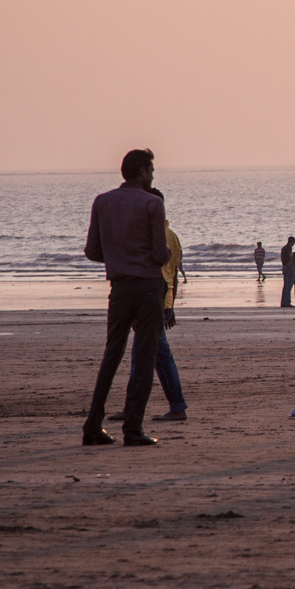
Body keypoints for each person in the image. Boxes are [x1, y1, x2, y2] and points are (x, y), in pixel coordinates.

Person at [82, 148, 171, 446]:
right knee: (144, 357)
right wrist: (162, 254)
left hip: (119, 288)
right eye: (151, 171)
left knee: (112, 355)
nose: (153, 176)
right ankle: (133, 427)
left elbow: (93, 251)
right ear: (143, 172)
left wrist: (119, 255)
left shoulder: (103, 202)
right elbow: (160, 254)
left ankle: (93, 424)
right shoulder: (152, 203)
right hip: (148, 287)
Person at [132, 187, 188, 422]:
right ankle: (132, 407)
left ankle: (177, 405)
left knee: (159, 354)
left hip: (151, 300)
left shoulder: (151, 236)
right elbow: (173, 275)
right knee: (142, 354)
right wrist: (171, 305)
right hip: (162, 300)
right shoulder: (173, 235)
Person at [280, 236, 295, 307]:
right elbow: (290, 255)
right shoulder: (289, 248)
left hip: (284, 267)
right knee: (289, 285)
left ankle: (283, 302)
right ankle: (287, 302)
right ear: (291, 242)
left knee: (285, 285)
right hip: (289, 267)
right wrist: (291, 262)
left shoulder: (283, 248)